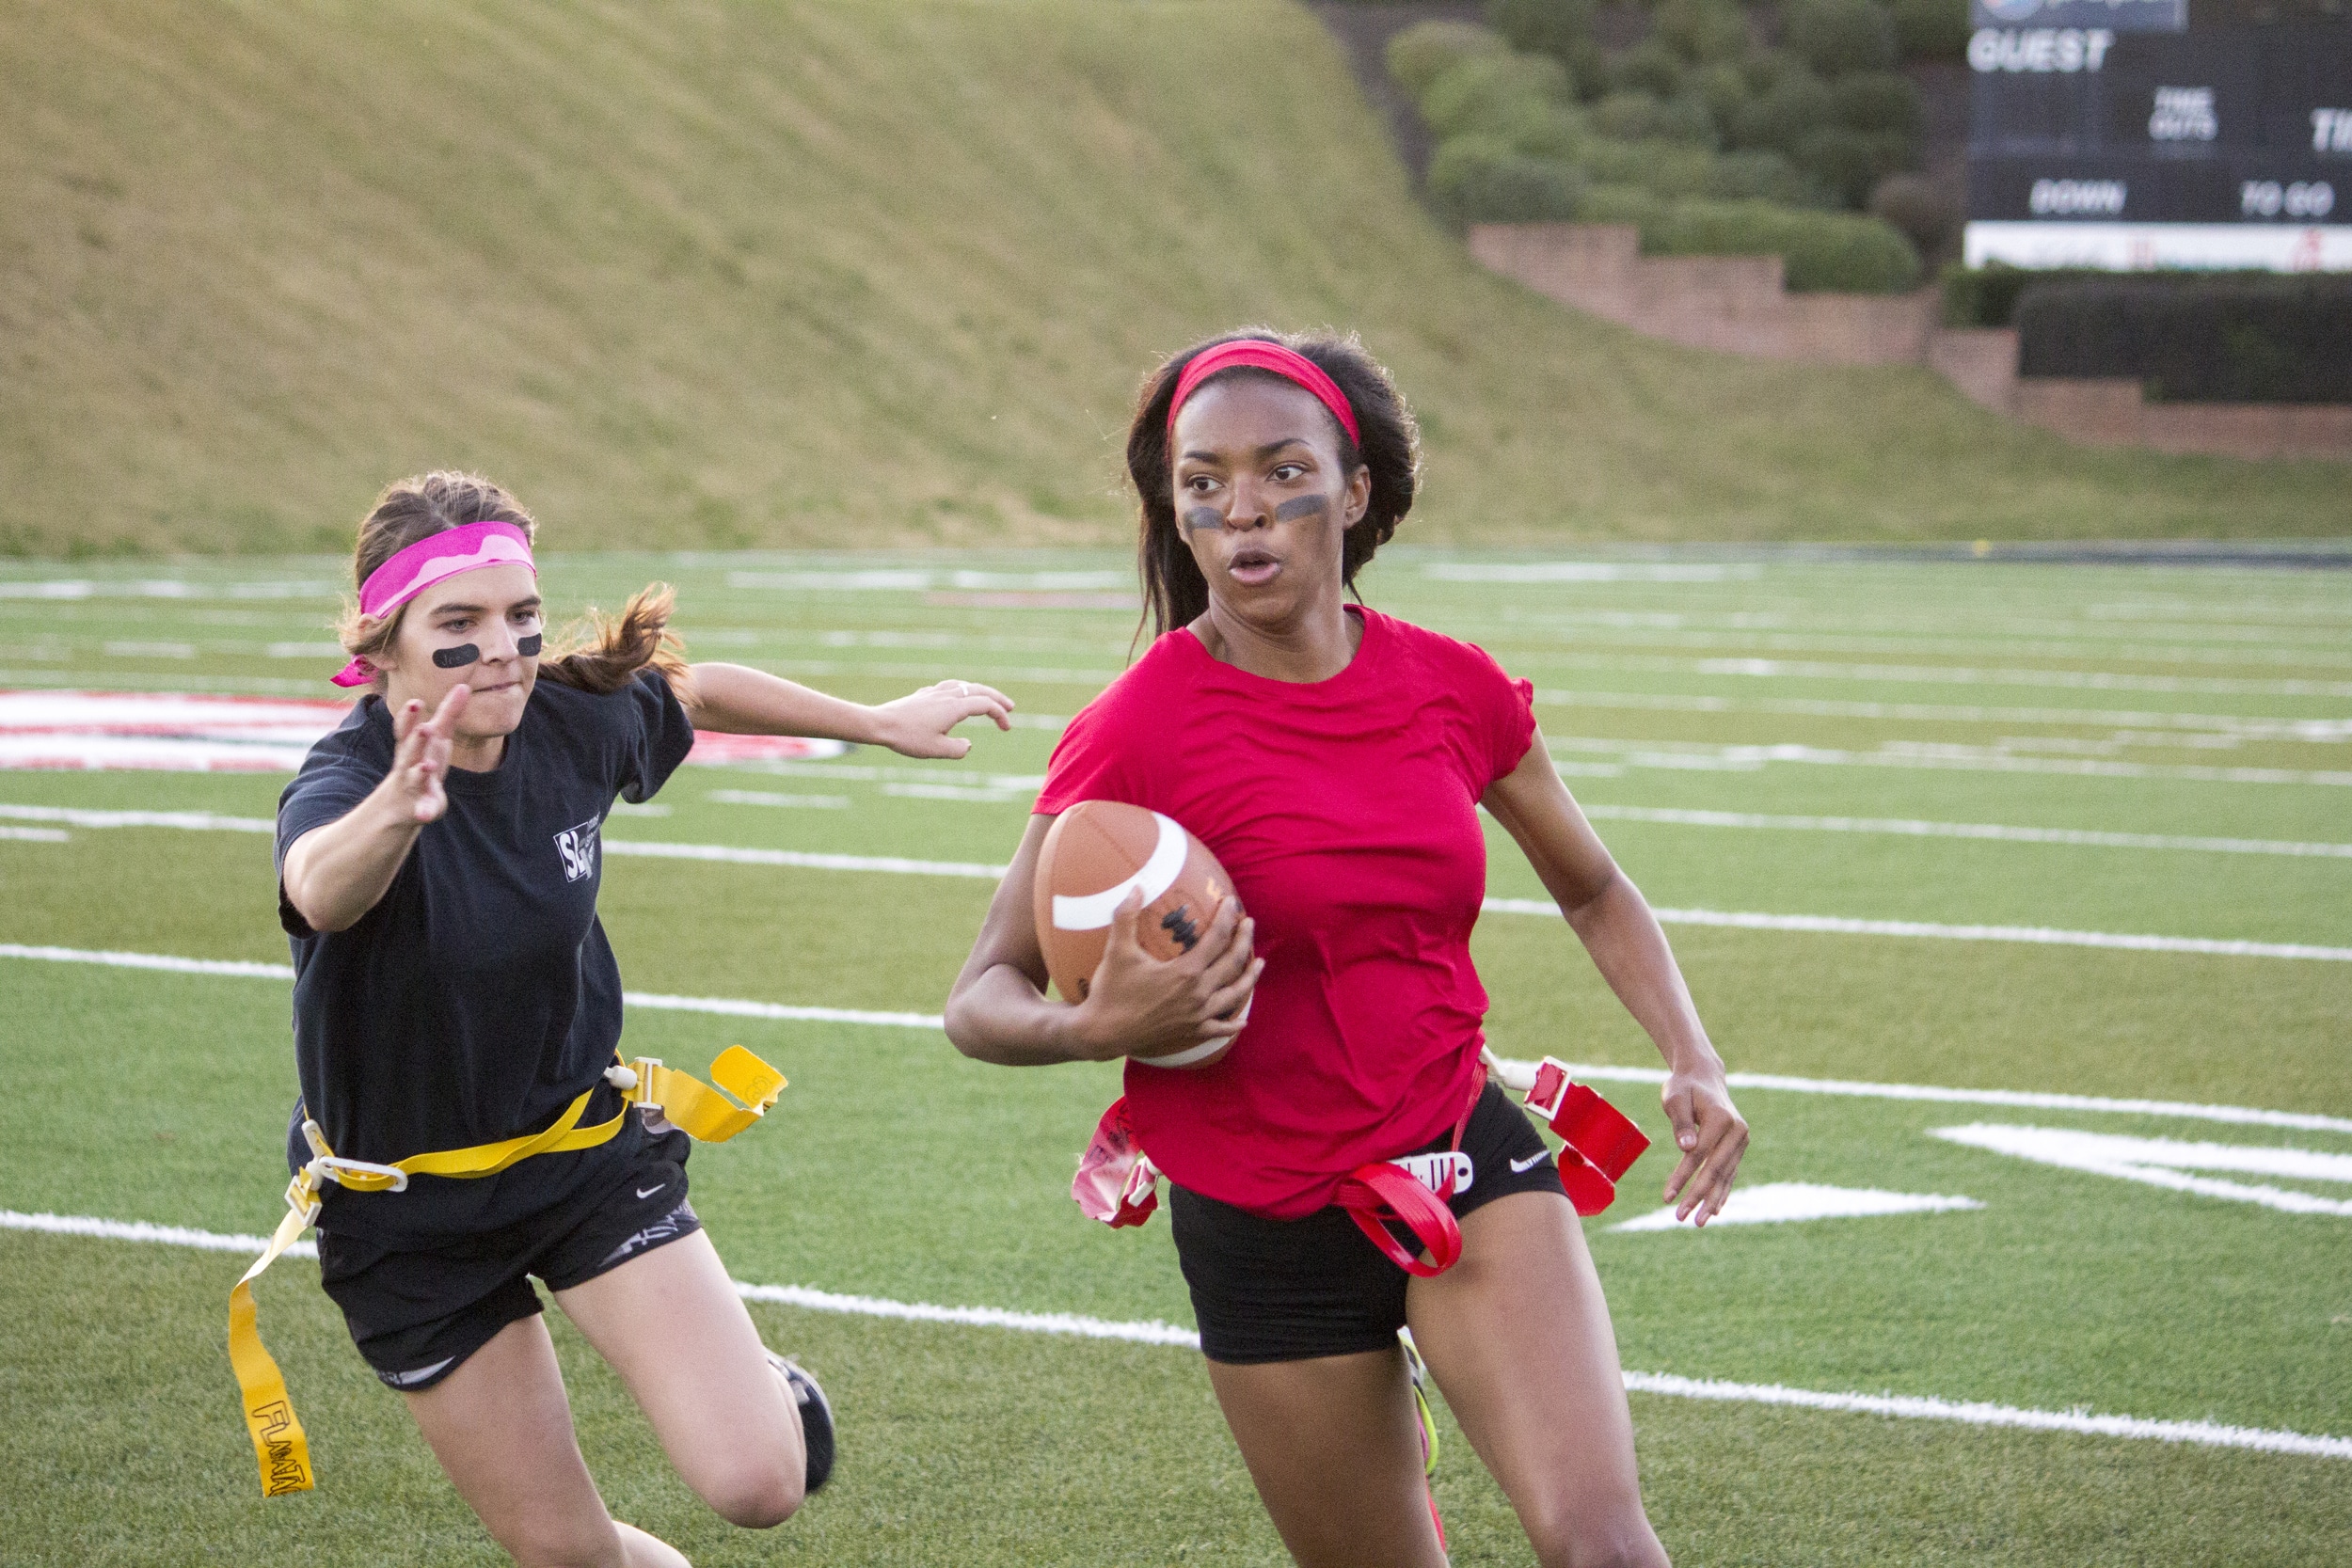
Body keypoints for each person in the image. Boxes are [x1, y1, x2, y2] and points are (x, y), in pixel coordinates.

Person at [943, 334, 1748, 1568]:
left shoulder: (1452, 686)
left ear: (1356, 488)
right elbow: (979, 995)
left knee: (1605, 1544)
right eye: (1202, 482)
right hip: (1258, 1217)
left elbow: (1592, 885)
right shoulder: (1138, 726)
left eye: (1279, 470)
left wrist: (1691, 1051)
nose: (1241, 509)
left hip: (1457, 1157)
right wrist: (1096, 1027)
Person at [268, 471, 1013, 1568]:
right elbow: (321, 889)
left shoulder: (567, 719)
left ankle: (758, 1385)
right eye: (459, 628)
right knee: (573, 1557)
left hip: (579, 1157)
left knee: (762, 1480)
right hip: (407, 1219)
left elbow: (696, 689)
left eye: (521, 617)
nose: (505, 650)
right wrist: (398, 807)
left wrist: (873, 722)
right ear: (382, 647)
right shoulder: (344, 782)